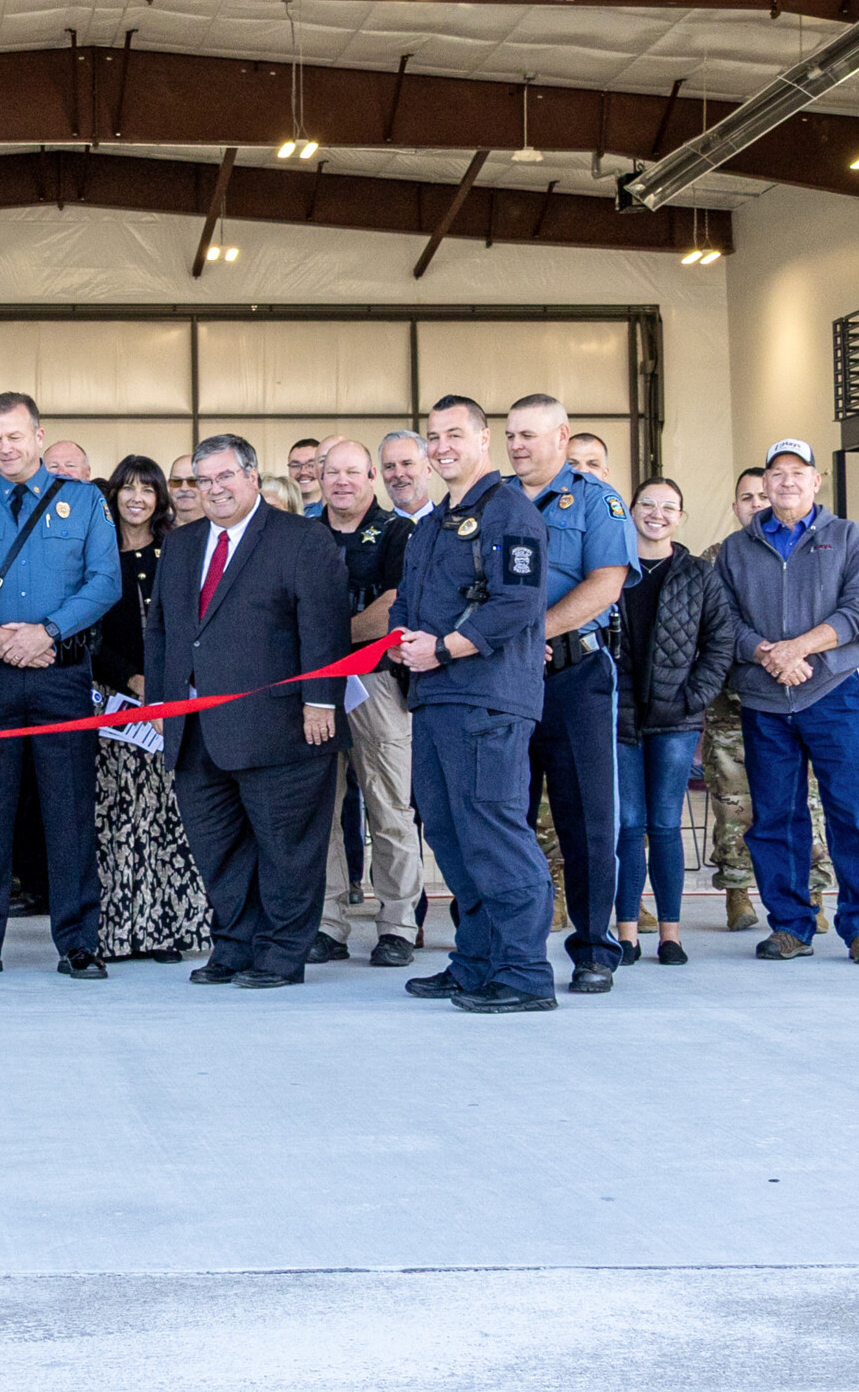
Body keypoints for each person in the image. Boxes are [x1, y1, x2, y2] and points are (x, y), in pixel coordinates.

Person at [146, 436, 347, 988]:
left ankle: (282, 955)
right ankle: (234, 947)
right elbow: (162, 629)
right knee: (218, 847)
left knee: (285, 850)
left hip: (281, 727)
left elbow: (323, 626)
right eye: (201, 481)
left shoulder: (302, 539)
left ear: (253, 477)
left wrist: (320, 699)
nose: (213, 489)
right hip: (195, 730)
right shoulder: (182, 545)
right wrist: (161, 706)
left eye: (224, 477)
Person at [0, 392, 120, 980]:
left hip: (61, 672)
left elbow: (105, 580)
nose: (6, 448)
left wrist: (48, 632)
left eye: (16, 436)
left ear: (39, 437)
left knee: (67, 809)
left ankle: (79, 942)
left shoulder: (85, 501)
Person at [390, 395, 555, 1013]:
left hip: (487, 699)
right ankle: (478, 960)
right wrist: (408, 645)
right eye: (434, 437)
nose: (441, 447)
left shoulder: (509, 511)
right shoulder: (432, 524)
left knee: (493, 831)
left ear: (483, 440)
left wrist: (447, 648)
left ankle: (524, 972)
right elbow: (407, 603)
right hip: (434, 698)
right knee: (450, 834)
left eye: (454, 434)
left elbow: (516, 603)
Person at [711, 440, 859, 965]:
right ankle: (791, 926)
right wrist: (767, 654)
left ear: (816, 482)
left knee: (852, 813)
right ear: (764, 485)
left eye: (798, 472)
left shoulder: (847, 538)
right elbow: (723, 621)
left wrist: (800, 648)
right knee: (775, 817)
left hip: (834, 693)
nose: (787, 481)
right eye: (777, 473)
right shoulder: (735, 549)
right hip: (765, 700)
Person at [505, 392, 639, 995]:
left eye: (529, 435)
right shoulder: (494, 500)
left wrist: (534, 633)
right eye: (510, 435)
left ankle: (593, 947)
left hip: (576, 679)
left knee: (586, 818)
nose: (517, 445)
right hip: (504, 678)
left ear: (562, 436)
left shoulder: (596, 499)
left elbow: (606, 584)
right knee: (505, 817)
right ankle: (506, 946)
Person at [86, 455, 211, 963]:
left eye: (148, 490)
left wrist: (160, 684)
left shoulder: (175, 552)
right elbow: (85, 631)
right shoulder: (93, 556)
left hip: (166, 704)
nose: (137, 498)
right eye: (128, 489)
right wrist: (129, 678)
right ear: (114, 494)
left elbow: (186, 629)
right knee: (115, 818)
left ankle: (167, 930)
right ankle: (119, 933)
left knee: (168, 816)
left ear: (160, 499)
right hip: (111, 703)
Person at [701, 468, 835, 927]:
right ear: (734, 507)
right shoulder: (717, 559)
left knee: (803, 800)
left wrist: (792, 660)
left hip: (800, 693)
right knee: (733, 801)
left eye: (763, 494)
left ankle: (811, 892)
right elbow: (716, 629)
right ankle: (738, 892)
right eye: (746, 497)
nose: (756, 503)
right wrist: (770, 656)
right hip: (733, 704)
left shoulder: (806, 550)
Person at [311, 436, 422, 969]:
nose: (342, 482)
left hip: (376, 684)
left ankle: (398, 924)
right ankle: (328, 924)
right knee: (320, 810)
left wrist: (326, 640)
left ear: (371, 477)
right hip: (313, 690)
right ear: (319, 476)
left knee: (389, 807)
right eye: (332, 472)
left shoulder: (401, 533)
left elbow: (393, 606)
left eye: (353, 472)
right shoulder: (302, 535)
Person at [616, 477, 735, 967]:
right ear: (631, 510)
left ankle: (670, 935)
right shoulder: (610, 569)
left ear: (681, 517)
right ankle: (625, 934)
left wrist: (693, 697)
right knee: (628, 826)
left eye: (669, 507)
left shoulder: (699, 575)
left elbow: (720, 644)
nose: (657, 514)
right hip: (617, 716)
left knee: (664, 826)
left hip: (676, 720)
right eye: (647, 504)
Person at [380, 430, 438, 522]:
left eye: (407, 464)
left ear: (428, 470)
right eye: (389, 466)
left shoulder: (450, 527)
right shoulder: (376, 532)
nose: (398, 474)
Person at [285, 438, 325, 516]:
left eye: (311, 465)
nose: (303, 471)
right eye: (295, 465)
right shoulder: (278, 509)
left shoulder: (336, 511)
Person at [167, 454, 204, 526]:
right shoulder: (154, 529)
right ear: (168, 486)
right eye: (176, 482)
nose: (184, 488)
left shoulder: (220, 528)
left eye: (192, 481)